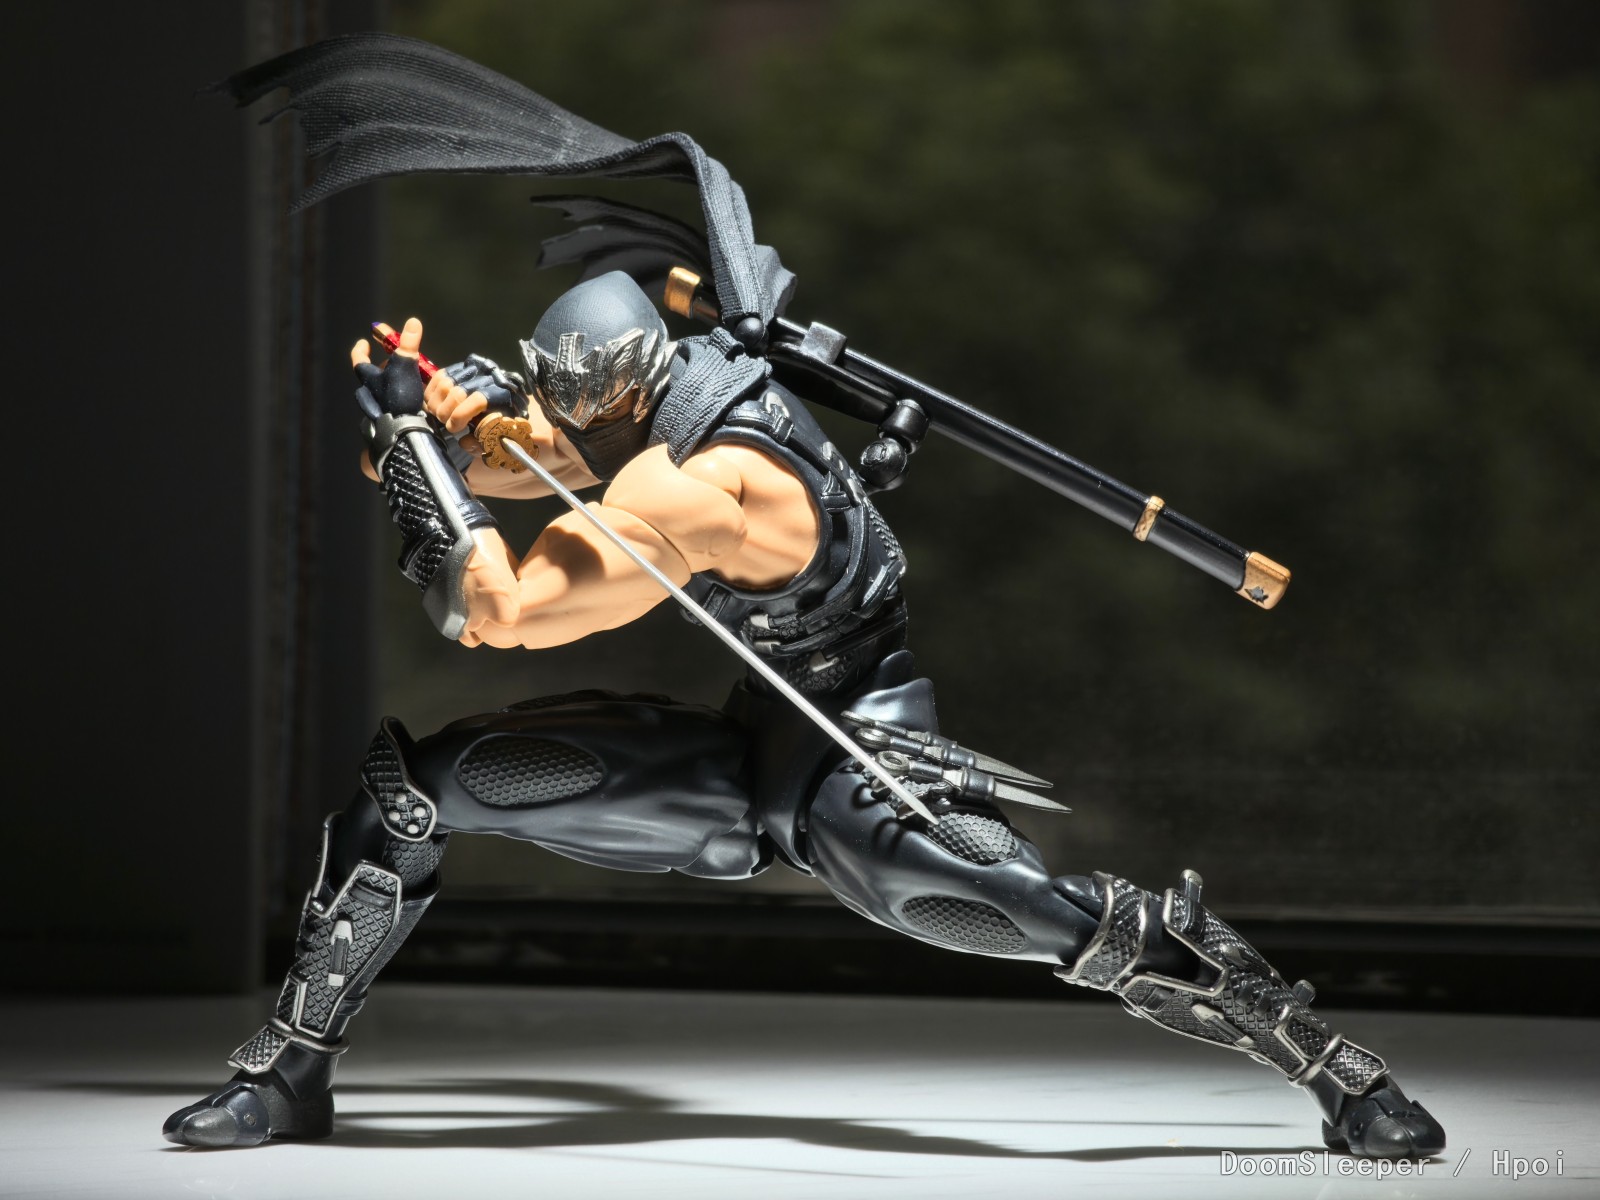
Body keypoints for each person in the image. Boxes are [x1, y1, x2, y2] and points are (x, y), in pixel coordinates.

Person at [163, 267, 1445, 1158]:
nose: (545, 428)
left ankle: (1342, 1073)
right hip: (752, 746)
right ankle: (290, 1074)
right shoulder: (691, 383)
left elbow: (491, 608)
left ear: (624, 393)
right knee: (422, 787)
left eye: (567, 407)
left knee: (1047, 914)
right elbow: (533, 457)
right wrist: (442, 421)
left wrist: (411, 447)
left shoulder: (695, 485)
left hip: (854, 752)